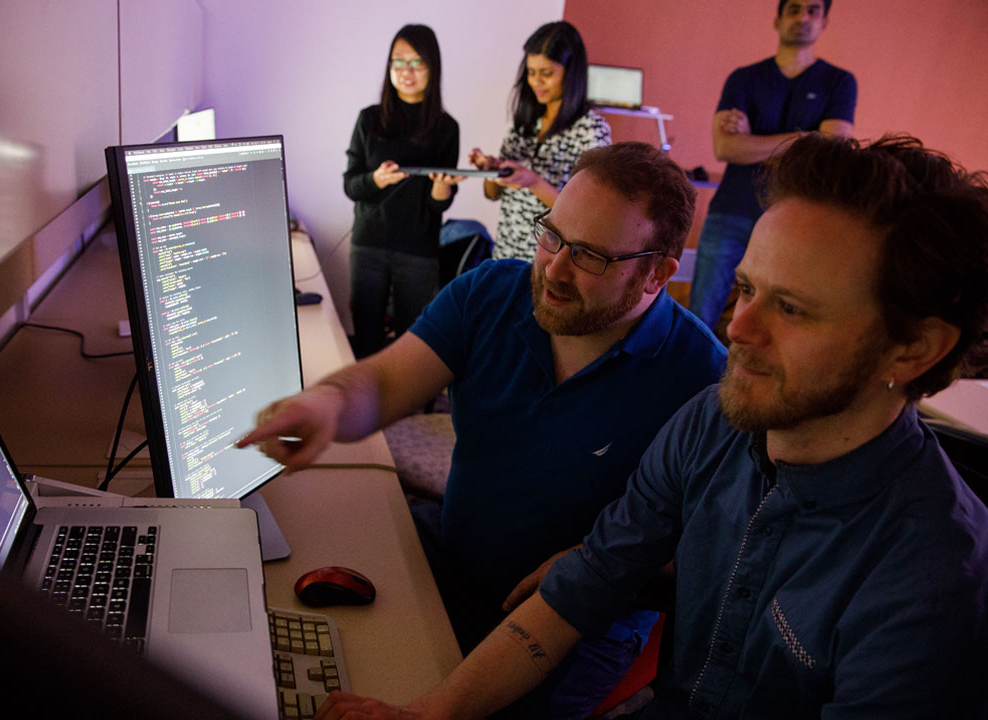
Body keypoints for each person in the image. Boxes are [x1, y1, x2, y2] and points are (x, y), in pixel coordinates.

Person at [314, 133, 988, 720]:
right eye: (747, 289)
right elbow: (579, 592)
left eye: (793, 309)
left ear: (914, 350)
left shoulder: (932, 587)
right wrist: (433, 712)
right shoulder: (714, 421)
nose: (738, 327)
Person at [240, 142, 727, 718]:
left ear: (656, 274)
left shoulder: (703, 378)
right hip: (455, 555)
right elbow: (388, 382)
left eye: (591, 256)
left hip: (582, 624)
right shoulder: (492, 292)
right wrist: (325, 404)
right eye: (553, 235)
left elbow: (712, 551)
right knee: (292, 625)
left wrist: (604, 561)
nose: (555, 269)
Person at [689, 0, 856, 333]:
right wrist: (808, 138)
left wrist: (754, 140)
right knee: (700, 317)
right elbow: (725, 147)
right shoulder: (744, 78)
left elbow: (832, 150)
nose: (802, 18)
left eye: (812, 10)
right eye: (793, 9)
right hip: (730, 212)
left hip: (796, 221)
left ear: (824, 22)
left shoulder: (839, 82)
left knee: (776, 323)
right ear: (777, 20)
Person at [344, 24, 463, 359]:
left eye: (416, 62)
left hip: (419, 251)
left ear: (432, 67)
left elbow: (438, 206)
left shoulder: (446, 128)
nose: (406, 71)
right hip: (368, 245)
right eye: (398, 62)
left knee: (413, 340)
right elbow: (351, 185)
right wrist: (377, 180)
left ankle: (408, 409)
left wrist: (441, 189)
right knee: (366, 338)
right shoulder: (369, 120)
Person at [468, 21, 611, 262]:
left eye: (546, 73)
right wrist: (492, 170)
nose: (536, 82)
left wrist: (533, 181)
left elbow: (586, 215)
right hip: (504, 254)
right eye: (531, 72)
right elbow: (492, 194)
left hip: (549, 262)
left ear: (571, 72)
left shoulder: (590, 130)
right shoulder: (526, 122)